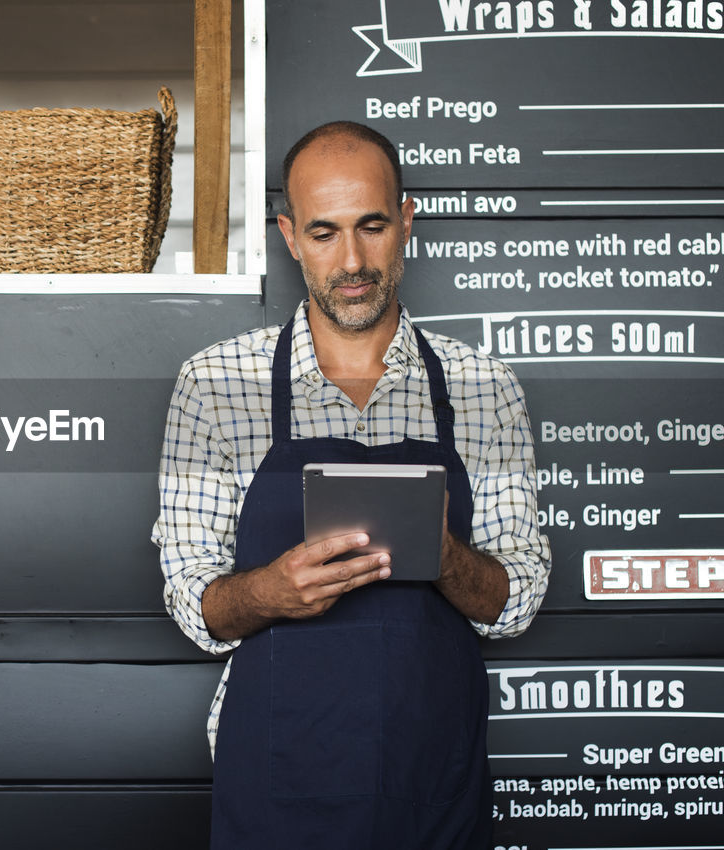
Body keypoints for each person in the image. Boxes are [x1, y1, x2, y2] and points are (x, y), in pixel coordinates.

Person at [152, 121, 551, 849]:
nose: (354, 259)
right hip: (277, 781)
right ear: (289, 235)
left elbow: (516, 602)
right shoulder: (214, 384)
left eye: (372, 225)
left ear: (405, 220)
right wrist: (269, 592)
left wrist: (443, 554)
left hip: (431, 782)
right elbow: (193, 602)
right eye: (325, 232)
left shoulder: (480, 386)